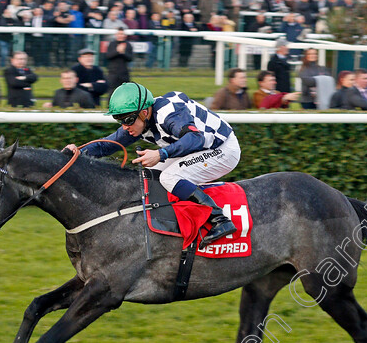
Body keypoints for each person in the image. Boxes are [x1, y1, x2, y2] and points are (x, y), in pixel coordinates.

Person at [68, 83, 239, 247]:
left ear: (144, 112)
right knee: (149, 176)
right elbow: (106, 145)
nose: (125, 126)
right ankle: (170, 228)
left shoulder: (168, 114)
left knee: (169, 177)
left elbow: (195, 138)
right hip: (198, 150)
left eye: (127, 119)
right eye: (119, 120)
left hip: (222, 149)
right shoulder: (138, 122)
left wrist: (160, 154)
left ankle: (220, 220)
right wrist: (77, 153)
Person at [105, 27, 133, 94]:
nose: (121, 35)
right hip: (113, 73)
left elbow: (130, 58)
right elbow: (108, 56)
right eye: (119, 34)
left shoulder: (128, 45)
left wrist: (123, 53)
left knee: (125, 92)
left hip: (124, 73)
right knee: (111, 92)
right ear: (116, 35)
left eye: (122, 34)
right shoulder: (112, 44)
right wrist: (117, 51)